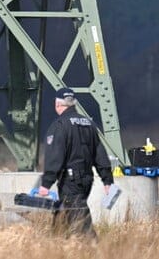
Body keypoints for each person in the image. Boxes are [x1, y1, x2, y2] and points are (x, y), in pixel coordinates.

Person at [38, 88, 114, 237]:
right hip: (87, 180)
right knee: (62, 219)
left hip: (70, 181)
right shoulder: (89, 124)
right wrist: (107, 179)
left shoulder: (59, 125)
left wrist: (46, 183)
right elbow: (100, 154)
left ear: (57, 104)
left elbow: (55, 157)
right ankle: (58, 247)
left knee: (82, 224)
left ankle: (94, 251)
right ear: (73, 104)